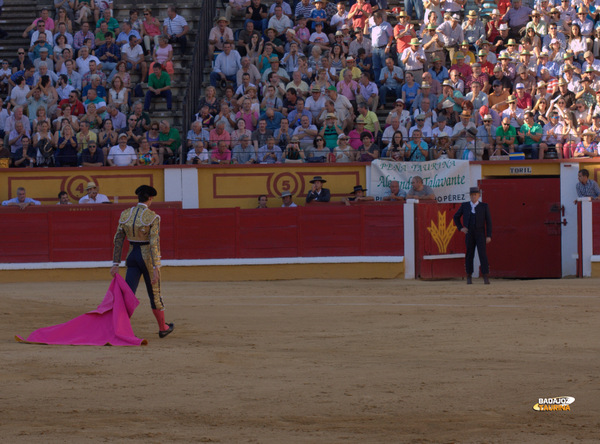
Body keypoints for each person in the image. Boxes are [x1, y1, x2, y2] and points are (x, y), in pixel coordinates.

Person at [111, 185, 174, 338]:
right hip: (146, 258)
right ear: (150, 198)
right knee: (155, 293)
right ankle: (163, 327)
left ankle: (120, 329)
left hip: (132, 255)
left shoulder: (125, 214)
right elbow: (154, 243)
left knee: (128, 294)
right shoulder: (153, 217)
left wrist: (115, 263)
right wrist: (156, 267)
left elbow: (118, 239)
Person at [453, 186, 492, 285]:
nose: (474, 196)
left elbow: (488, 221)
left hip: (480, 233)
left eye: (475, 195)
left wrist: (488, 235)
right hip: (469, 233)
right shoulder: (465, 205)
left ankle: (485, 276)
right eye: (472, 195)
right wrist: (461, 228)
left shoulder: (484, 206)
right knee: (470, 254)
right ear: (470, 196)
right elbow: (456, 217)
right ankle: (469, 276)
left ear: (479, 195)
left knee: (482, 254)